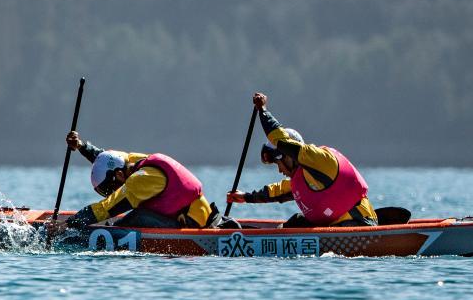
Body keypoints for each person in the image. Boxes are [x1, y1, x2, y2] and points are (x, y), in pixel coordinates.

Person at [226, 92, 378, 227]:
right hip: (332, 228)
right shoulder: (301, 179)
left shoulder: (321, 160)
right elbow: (276, 191)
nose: (279, 170)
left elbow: (281, 140)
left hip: (360, 223)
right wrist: (245, 197)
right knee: (294, 223)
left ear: (288, 155)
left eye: (279, 163)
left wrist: (263, 110)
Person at [59, 131, 224, 230]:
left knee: (138, 216)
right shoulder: (133, 161)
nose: (114, 192)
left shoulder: (139, 180)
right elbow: (107, 158)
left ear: (119, 175)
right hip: (203, 217)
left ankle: (112, 233)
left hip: (194, 226)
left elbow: (106, 208)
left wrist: (70, 224)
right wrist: (81, 146)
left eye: (112, 187)